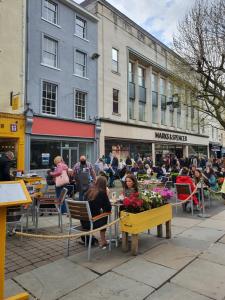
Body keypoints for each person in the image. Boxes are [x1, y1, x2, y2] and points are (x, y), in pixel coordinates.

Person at [81, 176, 112, 248]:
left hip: (84, 222)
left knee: (101, 213)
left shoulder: (89, 190)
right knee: (105, 215)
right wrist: (106, 195)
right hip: (92, 222)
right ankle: (103, 241)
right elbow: (108, 209)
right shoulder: (102, 193)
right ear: (105, 184)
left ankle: (89, 238)